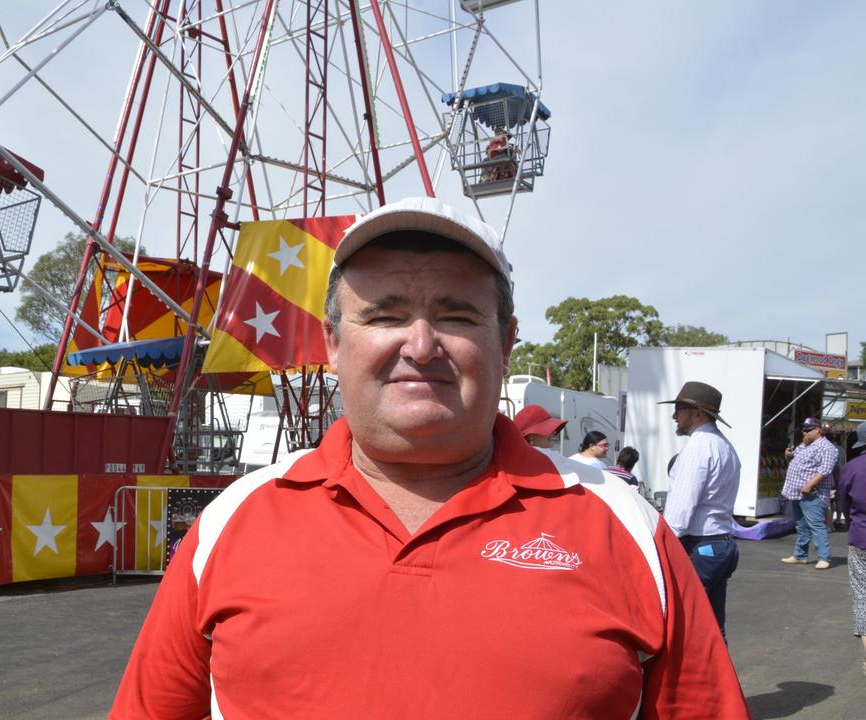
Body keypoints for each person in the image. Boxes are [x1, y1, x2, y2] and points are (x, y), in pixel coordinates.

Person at [111, 197, 747, 718]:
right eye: (385, 315)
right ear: (333, 342)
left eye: (457, 316)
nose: (420, 345)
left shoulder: (625, 526)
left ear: (505, 343)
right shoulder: (232, 521)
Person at [658, 381, 742, 636]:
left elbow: (679, 513)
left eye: (679, 409)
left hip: (701, 546)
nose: (675, 416)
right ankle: (721, 676)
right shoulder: (724, 445)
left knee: (689, 628)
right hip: (721, 543)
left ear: (697, 413)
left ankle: (698, 676)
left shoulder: (698, 448)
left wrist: (660, 544)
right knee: (713, 629)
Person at [782, 416, 839, 569]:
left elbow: (825, 470)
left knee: (816, 525)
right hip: (796, 492)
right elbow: (793, 458)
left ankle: (824, 557)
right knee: (801, 526)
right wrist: (788, 454)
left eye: (808, 430)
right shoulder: (805, 445)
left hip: (812, 493)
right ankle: (800, 555)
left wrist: (809, 484)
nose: (804, 433)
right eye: (803, 430)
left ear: (818, 430)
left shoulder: (827, 448)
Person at [839, 422, 866, 675]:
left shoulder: (851, 468)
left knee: (863, 596)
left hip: (861, 540)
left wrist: (853, 523)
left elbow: (844, 506)